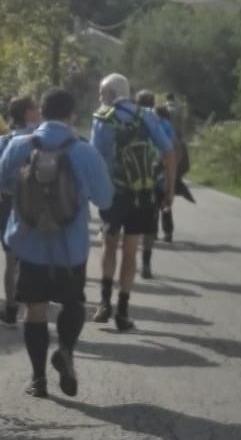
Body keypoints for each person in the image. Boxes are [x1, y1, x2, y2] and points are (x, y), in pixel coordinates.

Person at [0, 88, 114, 398]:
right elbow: (105, 198)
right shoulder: (85, 152)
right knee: (74, 303)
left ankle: (38, 380)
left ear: (42, 113)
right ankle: (65, 350)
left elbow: (4, 182)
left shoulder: (18, 145)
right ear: (71, 115)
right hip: (70, 248)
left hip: (28, 244)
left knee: (34, 310)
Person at [91, 74, 176, 331]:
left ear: (111, 93)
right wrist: (169, 190)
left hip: (115, 192)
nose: (99, 97)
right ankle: (123, 311)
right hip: (142, 192)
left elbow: (96, 159)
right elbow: (169, 152)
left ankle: (104, 303)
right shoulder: (147, 116)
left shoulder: (102, 118)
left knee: (108, 243)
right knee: (130, 249)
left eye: (101, 92)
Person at [0, 95, 42, 325]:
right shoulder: (42, 140)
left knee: (10, 258)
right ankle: (31, 307)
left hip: (8, 203)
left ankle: (11, 307)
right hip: (35, 205)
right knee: (32, 257)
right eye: (35, 107)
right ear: (27, 113)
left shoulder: (4, 142)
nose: (39, 110)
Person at [134, 90, 162, 278]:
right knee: (150, 223)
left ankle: (130, 256)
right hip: (153, 176)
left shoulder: (127, 119)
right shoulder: (158, 120)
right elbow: (169, 148)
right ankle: (146, 262)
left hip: (129, 176)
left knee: (131, 222)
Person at [154, 104, 191, 244]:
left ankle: (154, 231)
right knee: (165, 199)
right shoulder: (173, 128)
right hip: (169, 167)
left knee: (156, 200)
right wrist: (174, 166)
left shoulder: (160, 127)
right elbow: (180, 151)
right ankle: (167, 232)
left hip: (160, 166)